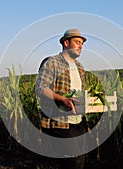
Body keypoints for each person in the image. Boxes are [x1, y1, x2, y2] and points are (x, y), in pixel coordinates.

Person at [35, 28, 87, 169]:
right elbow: (40, 87)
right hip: (59, 121)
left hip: (77, 121)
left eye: (82, 43)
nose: (80, 46)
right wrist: (62, 99)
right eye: (77, 42)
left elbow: (81, 93)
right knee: (74, 161)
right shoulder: (52, 63)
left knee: (77, 161)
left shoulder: (80, 67)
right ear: (66, 43)